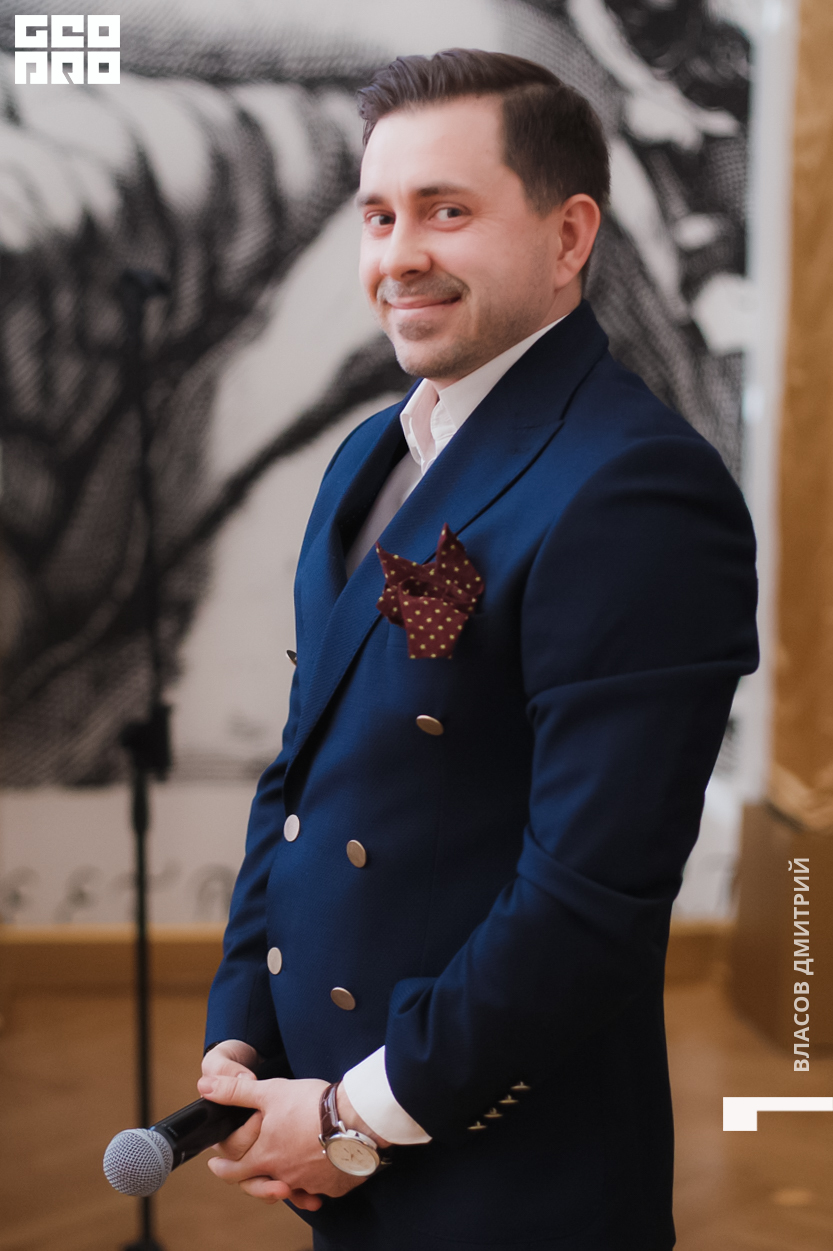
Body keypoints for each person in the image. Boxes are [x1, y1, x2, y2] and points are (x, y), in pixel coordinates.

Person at [197, 49, 758, 1251]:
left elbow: (587, 901)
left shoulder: (636, 489)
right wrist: (244, 1024)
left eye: (445, 211)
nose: (398, 254)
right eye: (378, 216)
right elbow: (303, 776)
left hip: (512, 1173)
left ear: (568, 237)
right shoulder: (368, 457)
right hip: (332, 1142)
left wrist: (354, 1119)